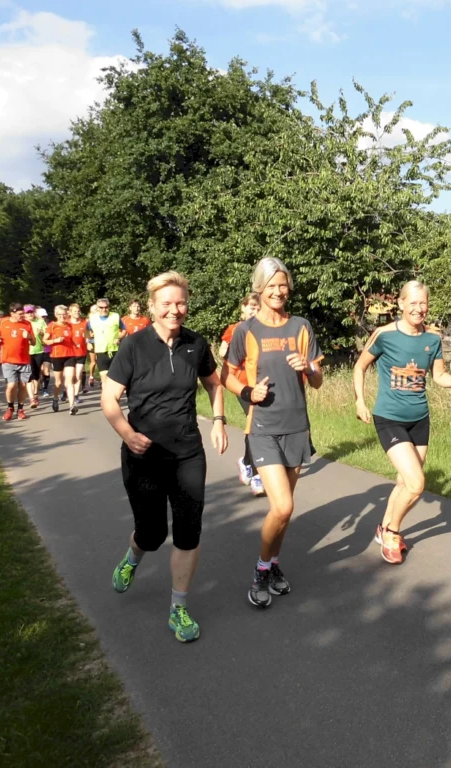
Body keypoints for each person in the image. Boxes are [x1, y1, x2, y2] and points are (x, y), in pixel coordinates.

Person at [104, 271, 228, 643]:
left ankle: (178, 608)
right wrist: (128, 433)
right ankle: (132, 559)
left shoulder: (196, 344)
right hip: (144, 455)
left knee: (188, 533)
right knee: (153, 532)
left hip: (188, 452)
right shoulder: (134, 346)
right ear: (153, 308)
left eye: (180, 303)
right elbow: (109, 399)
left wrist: (219, 421)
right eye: (167, 304)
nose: (175, 310)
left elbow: (214, 383)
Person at [221, 258, 323, 609]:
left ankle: (274, 565)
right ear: (259, 289)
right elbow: (227, 375)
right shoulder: (245, 330)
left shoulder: (300, 326)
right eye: (271, 286)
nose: (278, 291)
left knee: (284, 512)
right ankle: (261, 570)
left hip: (297, 426)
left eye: (283, 285)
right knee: (282, 505)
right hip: (262, 427)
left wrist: (307, 367)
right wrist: (248, 393)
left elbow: (318, 380)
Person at [353, 280, 451, 564]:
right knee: (417, 484)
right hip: (389, 418)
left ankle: (383, 527)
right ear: (401, 304)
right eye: (413, 303)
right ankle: (392, 533)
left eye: (424, 304)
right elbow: (360, 366)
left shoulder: (432, 340)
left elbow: (439, 376)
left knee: (404, 481)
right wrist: (360, 400)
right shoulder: (384, 335)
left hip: (420, 419)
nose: (419, 309)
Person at [219, 292, 264, 496]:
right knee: (255, 424)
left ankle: (246, 462)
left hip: (261, 384)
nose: (254, 311)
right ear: (243, 309)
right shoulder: (235, 329)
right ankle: (256, 474)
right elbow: (221, 353)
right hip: (242, 384)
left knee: (255, 425)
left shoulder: (265, 328)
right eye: (250, 307)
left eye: (257, 307)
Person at [0, 303, 34, 421]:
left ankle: (20, 409)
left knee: (22, 385)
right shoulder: (3, 322)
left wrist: (29, 337)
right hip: (8, 360)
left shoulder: (27, 324)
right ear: (12, 313)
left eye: (23, 314)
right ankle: (10, 408)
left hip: (24, 360)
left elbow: (34, 343)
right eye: (20, 314)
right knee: (11, 385)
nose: (22, 316)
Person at [43, 305, 79, 415]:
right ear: (56, 315)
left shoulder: (70, 326)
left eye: (64, 314)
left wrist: (76, 344)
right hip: (56, 356)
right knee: (58, 382)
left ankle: (72, 405)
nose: (62, 316)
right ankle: (55, 398)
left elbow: (72, 339)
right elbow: (45, 341)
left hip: (69, 355)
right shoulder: (52, 326)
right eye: (60, 315)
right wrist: (55, 340)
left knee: (70, 380)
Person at [88, 297, 124, 387]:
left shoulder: (115, 316)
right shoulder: (92, 318)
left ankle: (113, 397)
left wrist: (119, 338)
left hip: (114, 350)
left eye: (106, 307)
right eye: (101, 307)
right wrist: (88, 341)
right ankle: (106, 399)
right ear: (97, 308)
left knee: (114, 378)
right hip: (101, 351)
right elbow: (86, 331)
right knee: (104, 378)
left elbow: (124, 329)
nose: (104, 309)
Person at [24, 305, 47, 408]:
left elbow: (46, 335)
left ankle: (35, 393)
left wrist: (41, 332)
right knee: (29, 375)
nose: (30, 314)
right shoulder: (22, 323)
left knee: (36, 375)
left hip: (38, 351)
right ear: (24, 314)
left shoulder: (40, 321)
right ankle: (32, 398)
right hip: (26, 352)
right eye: (28, 312)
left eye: (31, 312)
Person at [68, 303, 88, 405]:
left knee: (78, 374)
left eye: (78, 311)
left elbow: (88, 335)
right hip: (70, 353)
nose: (77, 313)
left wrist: (88, 341)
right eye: (75, 311)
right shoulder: (67, 323)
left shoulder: (84, 323)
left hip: (82, 352)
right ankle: (67, 392)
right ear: (70, 313)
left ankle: (75, 395)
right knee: (70, 376)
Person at [86, 304, 100, 389]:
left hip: (101, 342)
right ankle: (91, 376)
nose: (96, 312)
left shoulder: (102, 320)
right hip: (93, 342)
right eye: (94, 310)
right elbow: (88, 333)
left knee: (100, 361)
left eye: (97, 310)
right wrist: (88, 341)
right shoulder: (89, 321)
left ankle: (102, 380)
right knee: (93, 362)